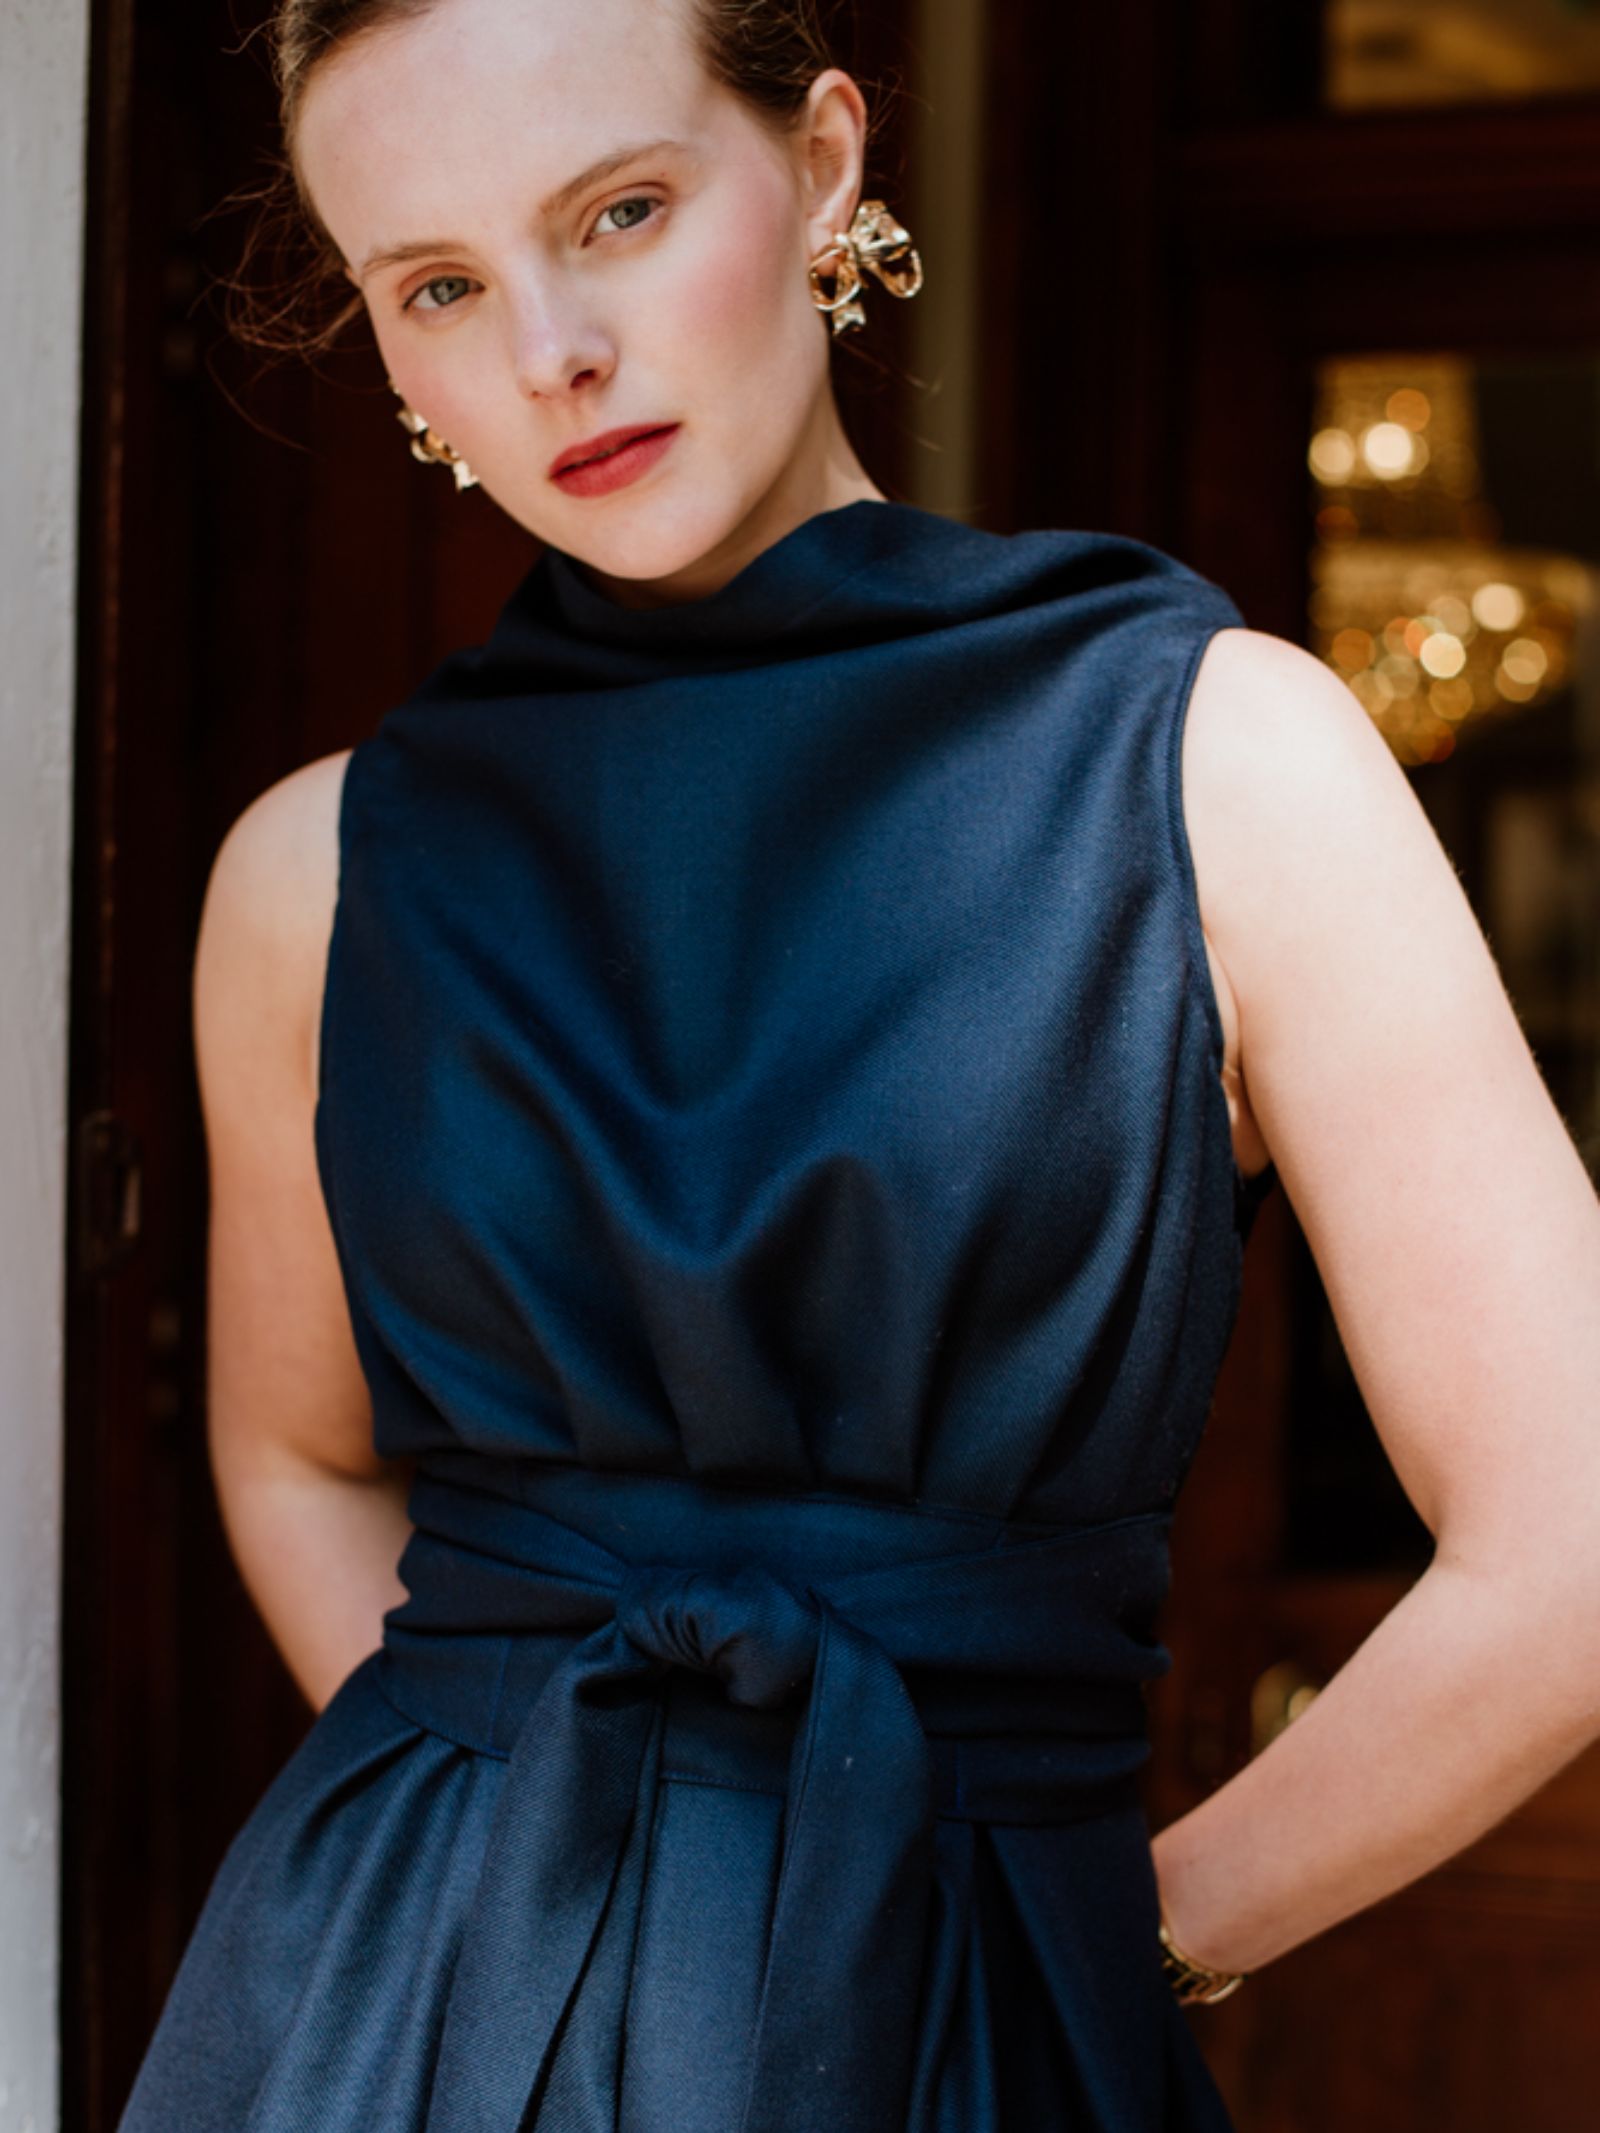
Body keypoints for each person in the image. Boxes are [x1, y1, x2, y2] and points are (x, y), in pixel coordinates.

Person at [117, 0, 1600, 2126]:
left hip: (972, 2007)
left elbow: (1561, 1535)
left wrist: (1128, 1932)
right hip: (388, 2013)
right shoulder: (313, 871)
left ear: (822, 163)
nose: (546, 349)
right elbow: (294, 1454)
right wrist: (511, 1857)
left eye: (615, 212)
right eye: (434, 286)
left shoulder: (1213, 756)